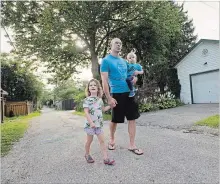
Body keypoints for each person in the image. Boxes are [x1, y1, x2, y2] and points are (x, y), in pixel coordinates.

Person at [100, 38, 143, 155]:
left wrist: (135, 78)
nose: (119, 45)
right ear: (111, 45)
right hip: (117, 94)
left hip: (129, 93)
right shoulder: (106, 61)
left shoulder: (124, 61)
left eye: (120, 43)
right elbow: (104, 81)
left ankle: (132, 144)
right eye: (116, 43)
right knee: (115, 120)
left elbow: (132, 73)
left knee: (132, 118)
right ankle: (112, 140)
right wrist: (109, 98)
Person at [83, 78, 115, 165]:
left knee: (102, 141)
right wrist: (91, 122)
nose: (92, 86)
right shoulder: (86, 100)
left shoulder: (99, 100)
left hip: (99, 125)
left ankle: (106, 158)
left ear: (98, 88)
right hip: (90, 125)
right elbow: (86, 112)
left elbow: (103, 109)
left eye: (94, 85)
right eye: (91, 85)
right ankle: (87, 154)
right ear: (88, 88)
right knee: (89, 141)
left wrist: (111, 106)